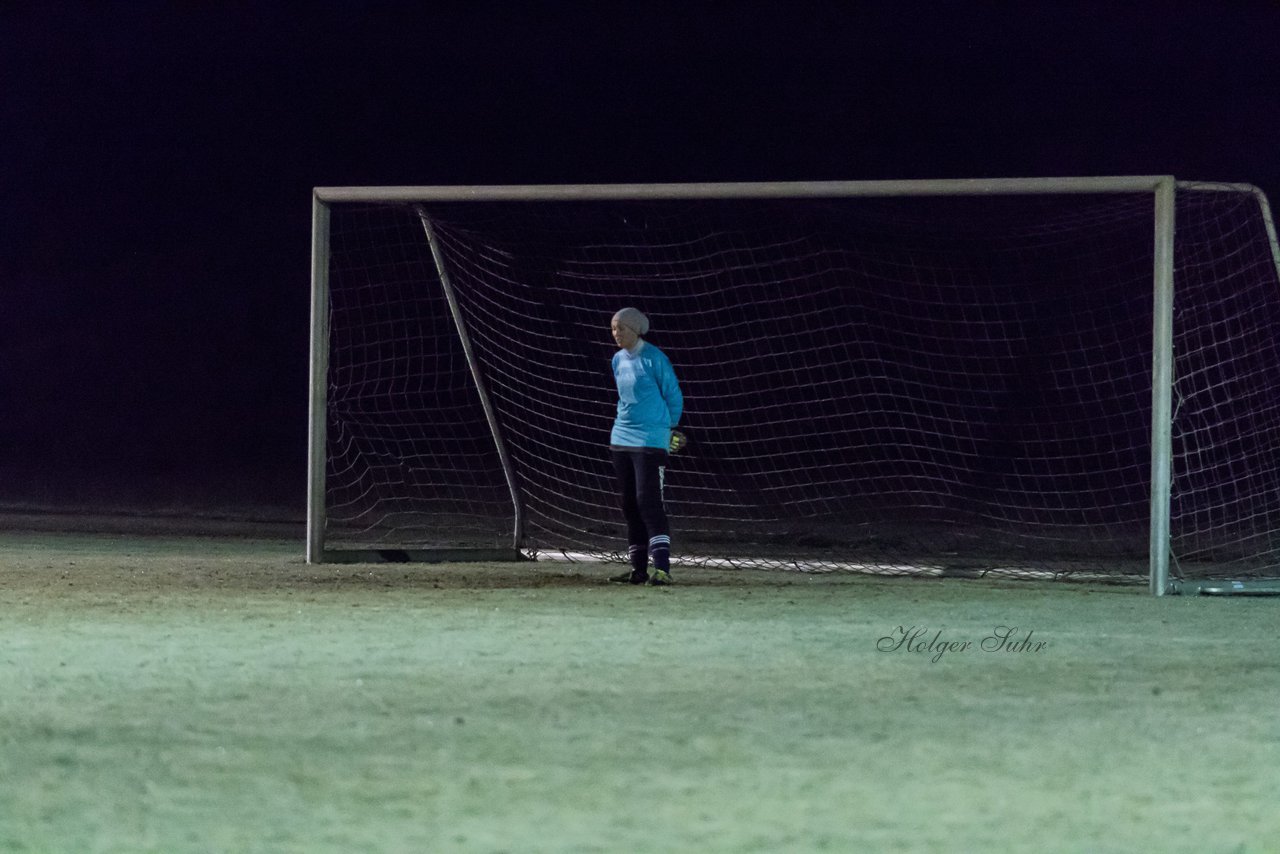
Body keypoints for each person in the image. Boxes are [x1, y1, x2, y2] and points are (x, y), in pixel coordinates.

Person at [607, 307, 683, 585]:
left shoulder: (654, 358)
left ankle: (662, 569)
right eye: (614, 329)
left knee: (648, 503)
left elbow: (673, 395)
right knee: (629, 505)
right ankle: (638, 570)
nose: (616, 334)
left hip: (650, 440)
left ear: (636, 330)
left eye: (622, 329)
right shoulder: (617, 360)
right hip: (621, 438)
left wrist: (668, 429)